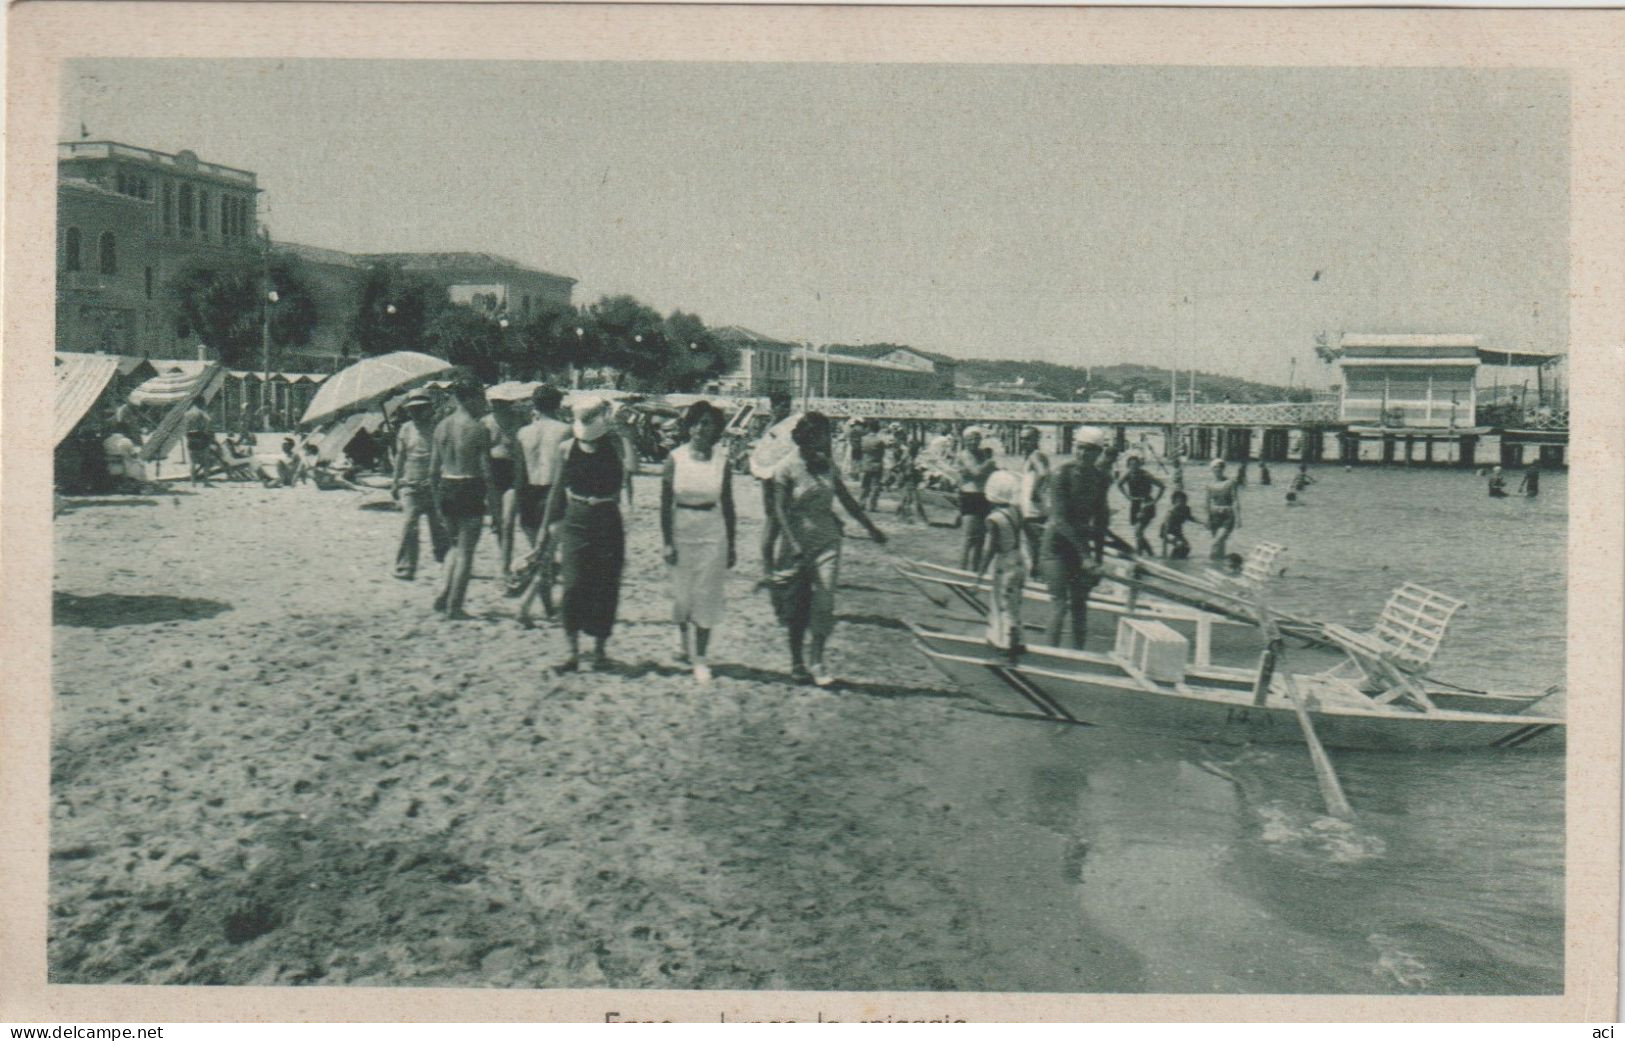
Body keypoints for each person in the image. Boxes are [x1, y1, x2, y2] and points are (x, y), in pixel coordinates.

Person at [769, 410, 888, 687]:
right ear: (805, 436)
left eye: (825, 436)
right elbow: (779, 509)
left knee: (825, 601)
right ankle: (797, 662)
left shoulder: (827, 466)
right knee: (797, 605)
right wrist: (793, 542)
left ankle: (818, 660)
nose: (825, 442)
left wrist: (871, 528)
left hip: (827, 539)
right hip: (795, 541)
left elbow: (847, 501)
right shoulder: (786, 467)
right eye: (820, 436)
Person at [527, 396, 628, 670]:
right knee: (572, 585)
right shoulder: (566, 448)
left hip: (607, 518)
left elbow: (632, 469)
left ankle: (599, 651)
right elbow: (557, 491)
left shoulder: (614, 445)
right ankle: (572, 652)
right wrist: (544, 532)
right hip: (576, 518)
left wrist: (623, 434)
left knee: (605, 586)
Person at [661, 401, 737, 684]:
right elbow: (664, 504)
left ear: (717, 429)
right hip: (682, 528)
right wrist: (667, 541)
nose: (702, 429)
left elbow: (728, 504)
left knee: (707, 595)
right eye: (697, 423)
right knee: (683, 595)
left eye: (709, 423)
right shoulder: (675, 459)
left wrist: (732, 543)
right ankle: (682, 640)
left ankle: (701, 658)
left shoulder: (722, 462)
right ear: (689, 426)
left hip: (712, 531)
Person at [429, 379, 501, 620]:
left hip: (446, 485)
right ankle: (455, 605)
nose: (483, 404)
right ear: (469, 399)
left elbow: (432, 470)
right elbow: (488, 473)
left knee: (453, 546)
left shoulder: (441, 426)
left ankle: (444, 592)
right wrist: (495, 508)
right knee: (466, 551)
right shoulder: (479, 429)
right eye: (480, 398)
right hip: (470, 486)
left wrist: (436, 500)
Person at [1043, 426, 1112, 649]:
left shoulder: (1101, 478)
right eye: (1080, 449)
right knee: (1060, 604)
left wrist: (1098, 559)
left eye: (1089, 451)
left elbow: (1101, 520)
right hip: (1055, 546)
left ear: (1098, 453)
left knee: (1080, 605)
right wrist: (1086, 557)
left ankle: (1078, 654)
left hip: (1080, 547)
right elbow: (1061, 520)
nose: (1083, 454)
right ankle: (1048, 655)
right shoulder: (1060, 474)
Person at [509, 385, 570, 607]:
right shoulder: (565, 430)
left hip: (528, 494)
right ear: (558, 404)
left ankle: (547, 606)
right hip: (554, 492)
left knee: (541, 554)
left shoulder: (522, 433)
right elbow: (569, 471)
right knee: (546, 555)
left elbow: (518, 474)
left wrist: (516, 505)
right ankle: (539, 605)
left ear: (534, 405)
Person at [391, 390, 450, 580]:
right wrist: (395, 482)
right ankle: (405, 566)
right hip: (410, 485)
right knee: (410, 525)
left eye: (420, 409)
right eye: (412, 409)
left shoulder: (438, 429)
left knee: (438, 526)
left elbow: (445, 456)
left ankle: (445, 560)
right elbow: (400, 457)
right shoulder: (406, 429)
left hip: (433, 485)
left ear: (429, 409)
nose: (415, 413)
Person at [977, 469, 1027, 662]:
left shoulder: (993, 519)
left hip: (1004, 562)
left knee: (1001, 603)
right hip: (1018, 558)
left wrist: (980, 574)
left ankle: (1005, 641)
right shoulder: (1016, 512)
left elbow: (990, 549)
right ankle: (1018, 639)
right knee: (1014, 601)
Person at [956, 427, 996, 570]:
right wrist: (989, 464)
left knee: (981, 540)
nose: (973, 442)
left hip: (983, 497)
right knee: (968, 538)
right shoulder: (964, 455)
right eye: (970, 439)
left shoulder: (981, 454)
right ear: (965, 441)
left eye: (976, 439)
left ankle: (975, 573)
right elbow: (977, 472)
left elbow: (990, 473)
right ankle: (961, 571)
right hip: (970, 497)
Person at [1017, 426, 1051, 579]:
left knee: (1034, 550)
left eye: (1028, 439)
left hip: (1033, 512)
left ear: (1036, 439)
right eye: (1022, 438)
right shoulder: (1032, 455)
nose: (1024, 442)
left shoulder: (1035, 456)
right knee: (1034, 549)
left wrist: (1035, 492)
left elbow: (1044, 473)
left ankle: (1037, 582)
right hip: (1033, 510)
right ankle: (1038, 580)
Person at [1116, 453, 1166, 556]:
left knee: (1138, 532)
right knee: (1138, 533)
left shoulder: (1145, 475)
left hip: (1146, 504)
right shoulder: (1128, 474)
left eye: (1136, 464)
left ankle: (1139, 555)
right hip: (1135, 504)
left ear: (1140, 465)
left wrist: (1154, 501)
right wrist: (1127, 497)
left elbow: (1162, 486)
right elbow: (1119, 484)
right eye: (1131, 464)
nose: (1134, 467)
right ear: (1128, 466)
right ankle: (1150, 554)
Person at [1205, 458, 1242, 560]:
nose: (1218, 469)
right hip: (1214, 515)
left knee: (1215, 542)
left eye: (1220, 467)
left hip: (1227, 515)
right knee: (1220, 544)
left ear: (1223, 468)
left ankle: (1209, 563)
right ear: (1212, 469)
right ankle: (1219, 566)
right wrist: (1208, 518)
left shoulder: (1230, 483)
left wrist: (1238, 518)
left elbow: (1235, 500)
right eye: (1215, 467)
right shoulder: (1209, 484)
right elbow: (1207, 502)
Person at [183, 398, 217, 485]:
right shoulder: (201, 412)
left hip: (190, 438)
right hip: (200, 437)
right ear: (201, 403)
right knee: (205, 461)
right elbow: (209, 421)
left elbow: (185, 428)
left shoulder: (187, 414)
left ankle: (193, 482)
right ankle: (206, 482)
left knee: (193, 462)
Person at [859, 421, 888, 511]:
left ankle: (861, 503)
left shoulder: (863, 439)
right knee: (875, 486)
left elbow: (861, 450)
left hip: (865, 464)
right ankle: (872, 506)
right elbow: (882, 453)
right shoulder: (879, 441)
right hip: (876, 464)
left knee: (865, 485)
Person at [1160, 489, 1195, 558]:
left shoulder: (1186, 509)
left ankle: (1176, 560)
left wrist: (1203, 522)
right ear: (1174, 502)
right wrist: (1164, 552)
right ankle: (1170, 559)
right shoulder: (1170, 513)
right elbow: (1166, 531)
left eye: (1184, 501)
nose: (1182, 503)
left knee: (1187, 548)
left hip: (1177, 531)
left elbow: (1190, 518)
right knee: (1180, 545)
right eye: (1179, 501)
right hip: (1167, 532)